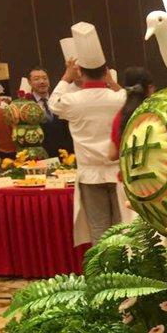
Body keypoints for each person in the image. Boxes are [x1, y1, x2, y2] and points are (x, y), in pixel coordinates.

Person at [50, 56, 127, 245]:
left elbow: (52, 103)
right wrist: (113, 83)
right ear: (106, 71)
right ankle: (124, 271)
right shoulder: (118, 98)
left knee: (99, 227)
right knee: (123, 226)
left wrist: (67, 77)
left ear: (80, 73)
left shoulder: (72, 101)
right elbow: (131, 99)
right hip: (118, 172)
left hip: (89, 174)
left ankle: (103, 272)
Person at [108, 67, 155, 161]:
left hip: (128, 174)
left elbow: (112, 155)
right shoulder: (156, 114)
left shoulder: (121, 116)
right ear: (150, 88)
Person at [28, 66, 74, 157]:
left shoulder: (59, 100)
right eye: (36, 79)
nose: (42, 81)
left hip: (64, 154)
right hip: (39, 156)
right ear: (30, 82)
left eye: (45, 78)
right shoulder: (26, 105)